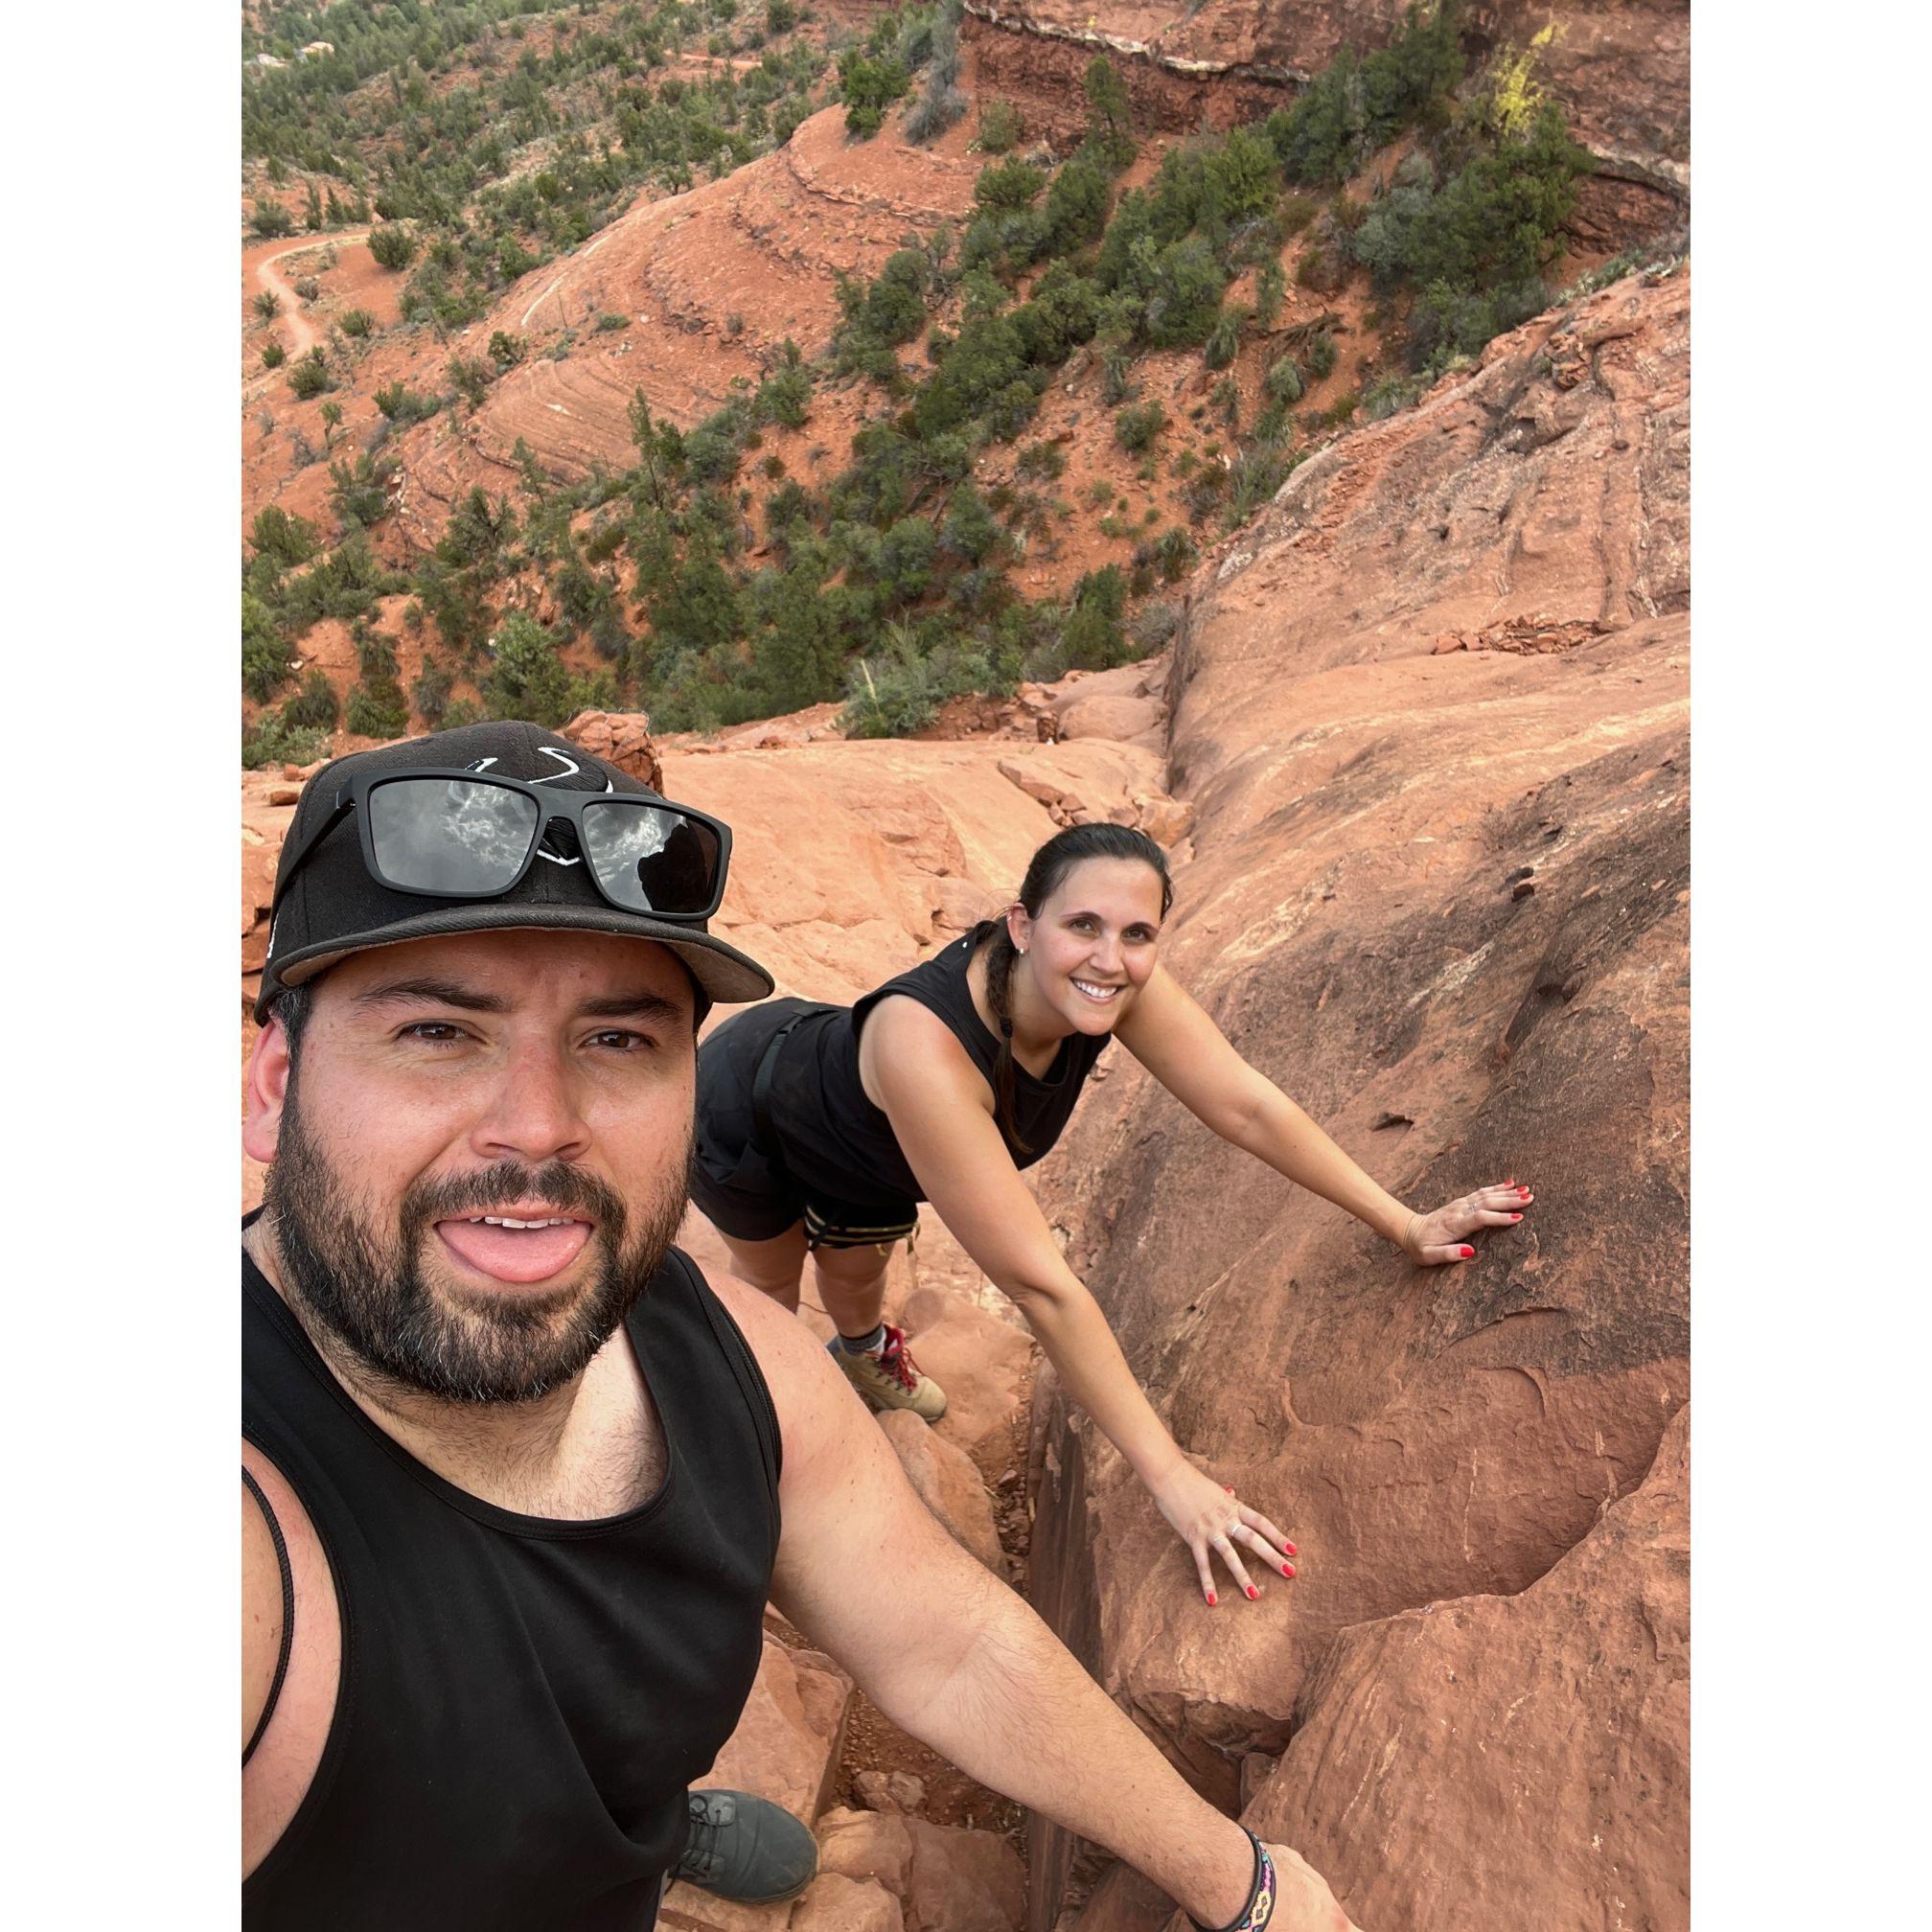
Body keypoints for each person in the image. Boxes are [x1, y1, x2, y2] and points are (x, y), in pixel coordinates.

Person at [241, 722, 1363, 1932]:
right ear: (276, 1087)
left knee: (847, 1304)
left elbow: (954, 1642)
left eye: (616, 1038)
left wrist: (1245, 1887)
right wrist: (1167, 1474)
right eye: (437, 1032)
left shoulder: (731, 1361)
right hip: (767, 1136)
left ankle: (638, 1815)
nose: (538, 1125)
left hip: (847, 1175)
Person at [693, 821, 1533, 1606]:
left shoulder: (1114, 986)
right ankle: (744, 1457)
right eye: (1083, 926)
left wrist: (1404, 1222)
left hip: (872, 1156)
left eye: (1138, 934)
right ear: (1022, 925)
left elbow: (1245, 1107)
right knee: (770, 1288)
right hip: (756, 1114)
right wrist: (1170, 1476)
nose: (1110, 957)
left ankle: (864, 1350)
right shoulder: (925, 1042)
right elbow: (1040, 1285)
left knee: (857, 1274)